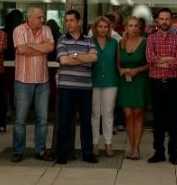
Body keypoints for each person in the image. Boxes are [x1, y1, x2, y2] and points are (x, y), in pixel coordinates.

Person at [55, 9, 97, 165]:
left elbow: (94, 57)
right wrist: (82, 58)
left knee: (86, 121)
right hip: (66, 87)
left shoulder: (89, 40)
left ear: (79, 22)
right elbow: (63, 61)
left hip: (85, 88)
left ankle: (87, 154)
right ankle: (62, 155)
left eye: (71, 20)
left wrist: (73, 56)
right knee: (64, 121)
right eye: (66, 21)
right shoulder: (61, 39)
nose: (68, 23)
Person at [11, 6, 54, 161]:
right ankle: (18, 151)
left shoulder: (47, 30)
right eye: (39, 17)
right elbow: (21, 50)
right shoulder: (19, 30)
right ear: (29, 18)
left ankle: (40, 151)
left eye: (42, 17)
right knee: (20, 119)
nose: (42, 20)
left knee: (42, 120)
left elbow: (50, 47)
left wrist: (32, 47)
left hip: (43, 81)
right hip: (23, 81)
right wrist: (40, 49)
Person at [146, 6, 177, 166]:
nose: (164, 22)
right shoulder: (151, 38)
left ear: (171, 20)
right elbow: (150, 59)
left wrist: (162, 60)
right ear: (157, 20)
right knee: (158, 120)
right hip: (155, 82)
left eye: (167, 19)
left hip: (173, 83)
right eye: (161, 19)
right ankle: (159, 152)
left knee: (174, 120)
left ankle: (174, 154)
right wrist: (167, 59)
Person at [117, 15, 148, 160]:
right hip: (125, 81)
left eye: (136, 25)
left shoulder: (145, 42)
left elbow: (150, 63)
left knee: (139, 114)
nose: (133, 28)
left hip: (140, 81)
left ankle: (136, 147)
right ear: (125, 27)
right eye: (130, 25)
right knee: (128, 115)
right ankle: (131, 145)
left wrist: (138, 70)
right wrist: (121, 70)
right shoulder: (120, 43)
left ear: (139, 27)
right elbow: (117, 63)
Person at [90, 16, 118, 158]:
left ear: (109, 28)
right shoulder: (90, 42)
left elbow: (118, 62)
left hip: (110, 81)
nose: (103, 29)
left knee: (108, 113)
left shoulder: (114, 43)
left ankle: (108, 143)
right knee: (95, 113)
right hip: (93, 81)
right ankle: (94, 143)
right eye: (100, 27)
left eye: (105, 27)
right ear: (95, 28)